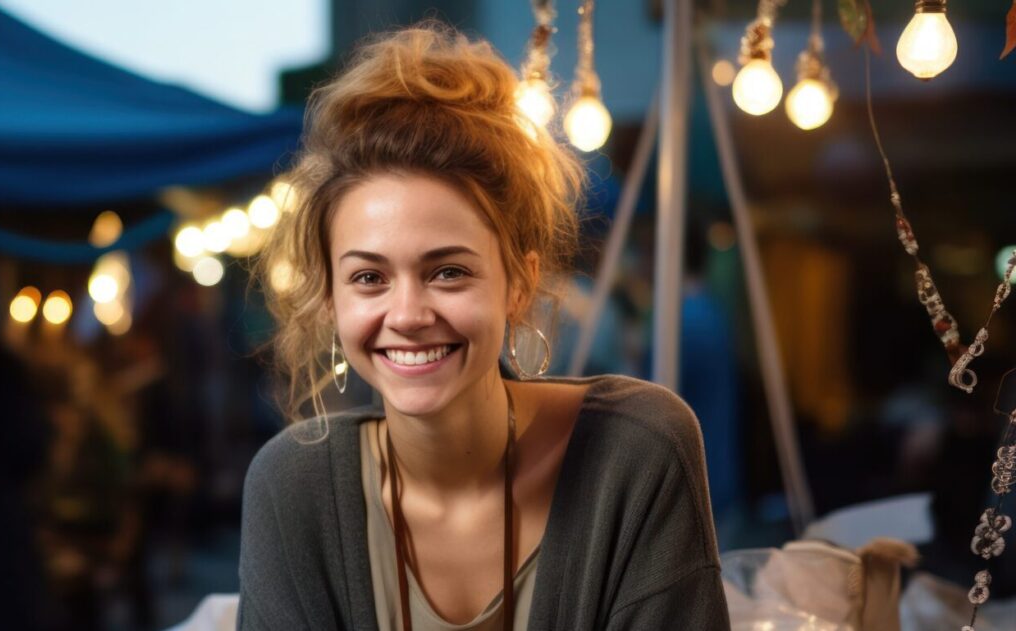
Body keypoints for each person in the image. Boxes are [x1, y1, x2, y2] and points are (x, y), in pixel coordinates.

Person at [239, 22, 730, 630]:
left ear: (518, 284)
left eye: (447, 272)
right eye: (369, 278)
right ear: (331, 299)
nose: (409, 315)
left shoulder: (634, 452)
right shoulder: (293, 487)